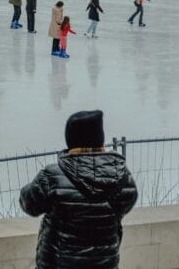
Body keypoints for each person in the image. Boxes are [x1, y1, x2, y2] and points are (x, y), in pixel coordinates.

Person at [20, 109, 138, 269]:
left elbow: (28, 205)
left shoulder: (52, 177)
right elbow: (128, 201)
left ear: (70, 141)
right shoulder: (122, 177)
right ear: (101, 141)